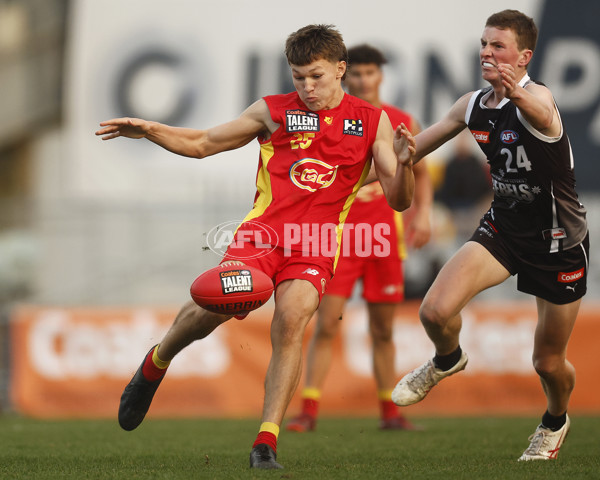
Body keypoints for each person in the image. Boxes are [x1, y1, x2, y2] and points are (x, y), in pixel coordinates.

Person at [95, 24, 415, 470]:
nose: (306, 87)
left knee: (292, 320)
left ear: (340, 70)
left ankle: (266, 442)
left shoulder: (372, 121)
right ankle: (157, 360)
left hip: (317, 245)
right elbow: (205, 143)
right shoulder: (272, 111)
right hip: (261, 236)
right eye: (298, 76)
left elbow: (399, 200)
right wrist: (152, 129)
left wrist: (405, 165)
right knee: (213, 309)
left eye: (316, 76)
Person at [391, 10, 588, 462]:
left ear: (524, 56)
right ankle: (447, 359)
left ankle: (555, 421)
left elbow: (543, 111)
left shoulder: (539, 98)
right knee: (434, 311)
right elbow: (418, 147)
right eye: (483, 43)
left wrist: (516, 91)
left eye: (498, 46)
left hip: (557, 241)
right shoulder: (472, 104)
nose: (486, 51)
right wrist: (402, 153)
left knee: (547, 362)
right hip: (503, 228)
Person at [286, 44, 433, 433]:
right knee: (326, 326)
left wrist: (424, 215)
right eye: (358, 74)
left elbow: (422, 170)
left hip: (384, 237)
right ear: (345, 75)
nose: (363, 80)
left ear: (381, 76)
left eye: (371, 73)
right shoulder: (330, 116)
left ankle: (390, 411)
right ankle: (309, 409)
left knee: (383, 330)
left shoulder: (401, 120)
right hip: (341, 238)